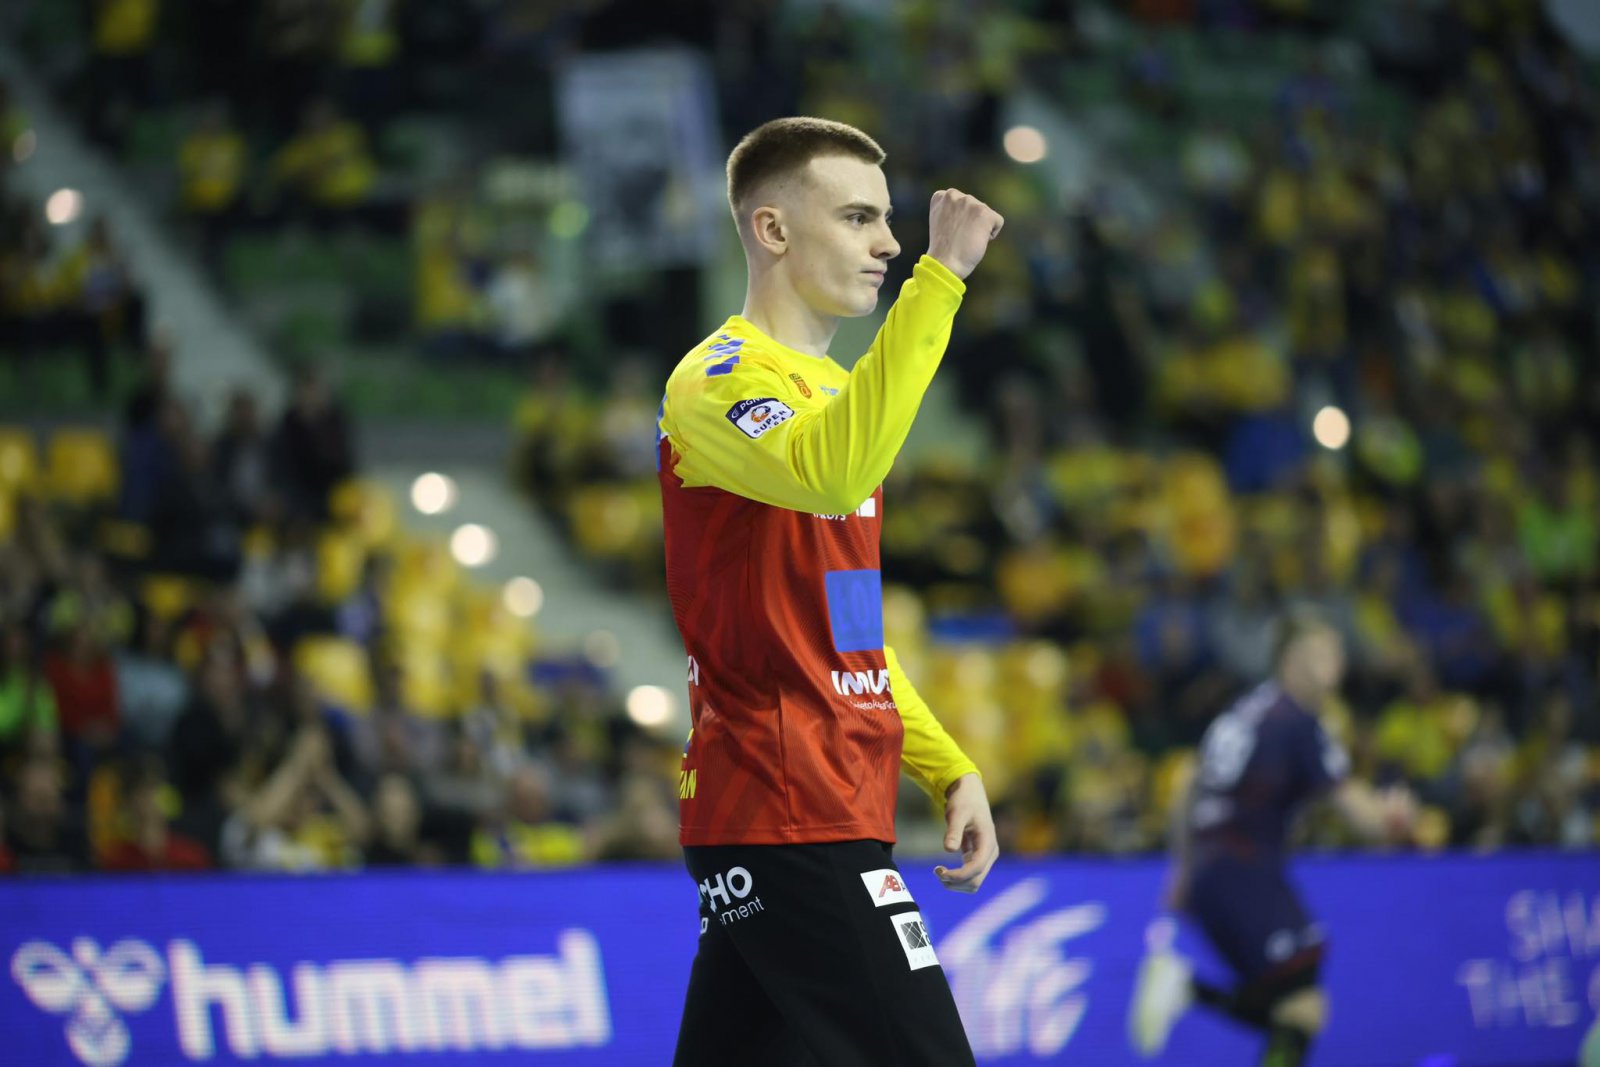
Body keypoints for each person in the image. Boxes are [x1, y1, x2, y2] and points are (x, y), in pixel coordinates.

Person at [657, 116, 1003, 1066]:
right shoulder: (715, 381)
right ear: (772, 229)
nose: (888, 243)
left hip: (815, 805)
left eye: (888, 220)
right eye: (858, 218)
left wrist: (947, 766)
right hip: (785, 807)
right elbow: (829, 469)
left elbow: (851, 634)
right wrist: (941, 278)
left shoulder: (832, 396)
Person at [1130, 610, 1416, 1066]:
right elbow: (1361, 814)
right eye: (1321, 653)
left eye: (1336, 653)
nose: (1334, 665)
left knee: (1299, 1010)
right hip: (1243, 870)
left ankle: (1186, 989)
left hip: (1213, 873)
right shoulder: (1299, 721)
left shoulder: (1246, 710)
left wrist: (1183, 869)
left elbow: (1188, 782)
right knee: (1300, 1001)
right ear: (1290, 659)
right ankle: (1185, 988)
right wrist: (1393, 818)